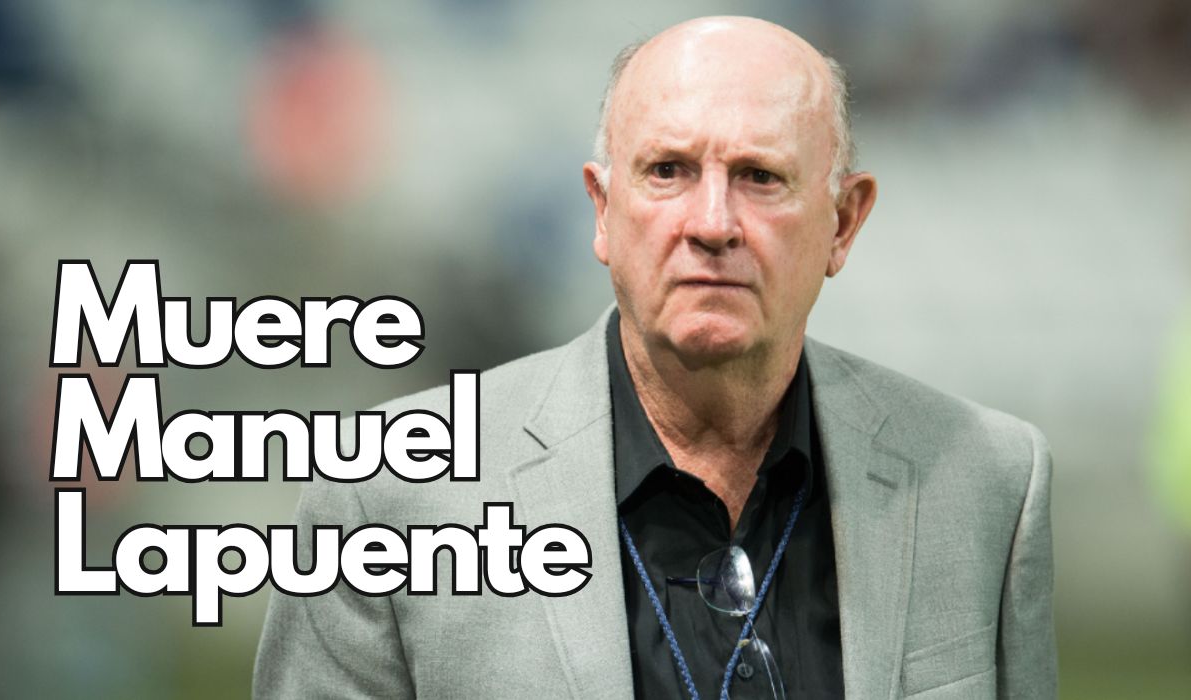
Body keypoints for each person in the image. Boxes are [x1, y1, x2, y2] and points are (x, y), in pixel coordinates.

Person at [254, 16, 1056, 699]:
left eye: (760, 176)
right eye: (668, 171)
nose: (712, 223)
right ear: (603, 211)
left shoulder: (990, 485)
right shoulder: (387, 497)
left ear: (843, 222)